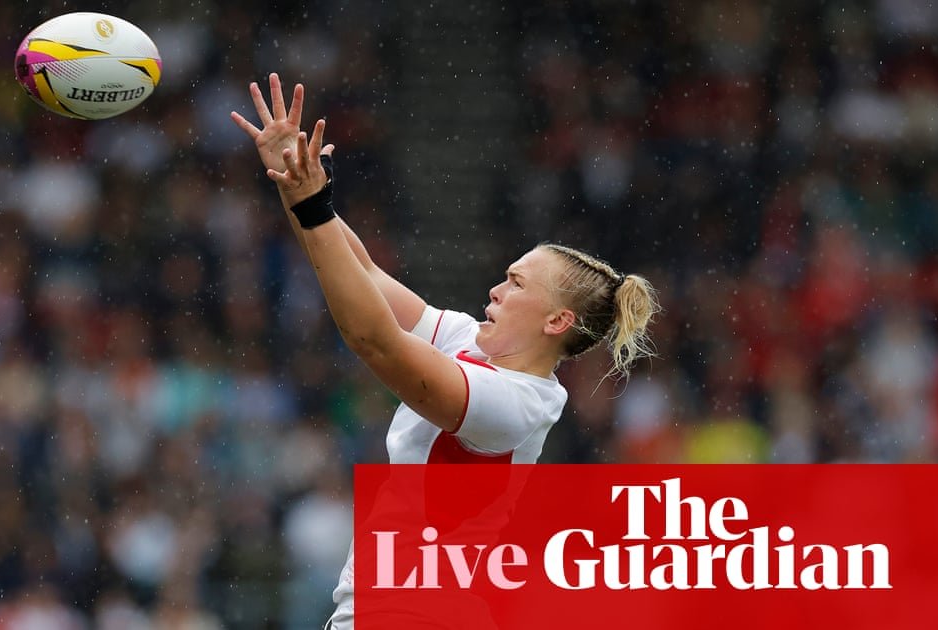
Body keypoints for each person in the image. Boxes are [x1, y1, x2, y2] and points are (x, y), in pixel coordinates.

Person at [231, 74, 659, 629]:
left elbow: (374, 340)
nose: (496, 291)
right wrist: (298, 184)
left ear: (557, 321)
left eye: (516, 283)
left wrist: (313, 206)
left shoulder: (514, 404)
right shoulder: (466, 339)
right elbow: (363, 273)